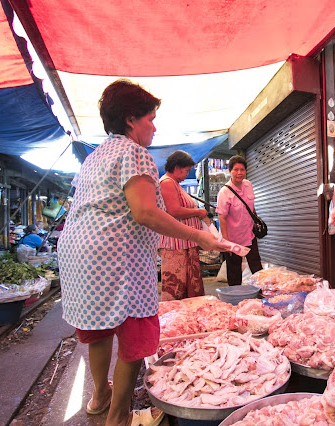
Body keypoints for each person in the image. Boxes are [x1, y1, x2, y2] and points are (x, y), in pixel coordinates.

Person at [57, 79, 228, 426]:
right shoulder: (134, 153)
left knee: (99, 328)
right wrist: (202, 237)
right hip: (113, 256)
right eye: (150, 118)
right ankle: (118, 417)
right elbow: (146, 213)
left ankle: (100, 396)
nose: (154, 126)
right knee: (135, 334)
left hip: (78, 255)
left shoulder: (94, 156)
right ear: (131, 118)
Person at [158, 150, 211, 300]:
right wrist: (198, 212)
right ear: (176, 167)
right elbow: (173, 210)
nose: (187, 174)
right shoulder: (167, 182)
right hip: (176, 245)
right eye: (186, 170)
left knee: (188, 286)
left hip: (185, 243)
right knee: (176, 286)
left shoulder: (175, 183)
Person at [216, 155, 263, 286]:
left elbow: (252, 208)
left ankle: (261, 294)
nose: (239, 173)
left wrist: (257, 222)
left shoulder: (248, 185)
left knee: (257, 268)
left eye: (242, 170)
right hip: (233, 238)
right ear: (230, 171)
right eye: (236, 170)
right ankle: (235, 300)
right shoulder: (224, 192)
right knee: (234, 272)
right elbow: (222, 218)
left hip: (249, 234)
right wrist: (225, 242)